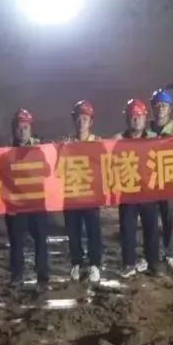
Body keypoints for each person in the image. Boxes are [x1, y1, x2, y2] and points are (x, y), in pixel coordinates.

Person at [4, 108, 51, 288]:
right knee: (16, 242)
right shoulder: (6, 152)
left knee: (41, 241)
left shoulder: (40, 150)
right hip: (16, 206)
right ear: (13, 129)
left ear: (31, 129)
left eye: (26, 127)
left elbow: (48, 172)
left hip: (37, 203)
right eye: (19, 127)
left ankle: (42, 276)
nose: (22, 131)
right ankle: (17, 275)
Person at [114, 99, 160, 278]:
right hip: (127, 192)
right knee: (127, 229)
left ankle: (153, 262)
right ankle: (129, 263)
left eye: (139, 116)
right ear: (127, 118)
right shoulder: (117, 140)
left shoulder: (154, 138)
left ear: (145, 118)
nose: (136, 120)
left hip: (148, 191)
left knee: (151, 229)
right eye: (132, 116)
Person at [63, 100, 103, 284]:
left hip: (91, 196)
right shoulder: (66, 144)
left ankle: (95, 264)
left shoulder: (98, 143)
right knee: (73, 231)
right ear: (74, 120)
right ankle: (76, 263)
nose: (81, 122)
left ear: (91, 121)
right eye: (78, 118)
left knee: (94, 231)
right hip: (71, 195)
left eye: (85, 119)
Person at [148, 88, 173, 273]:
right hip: (151, 183)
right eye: (157, 105)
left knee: (169, 219)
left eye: (164, 105)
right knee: (151, 221)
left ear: (170, 108)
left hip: (170, 181)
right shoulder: (146, 131)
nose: (160, 108)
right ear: (153, 108)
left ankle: (170, 254)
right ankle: (152, 255)